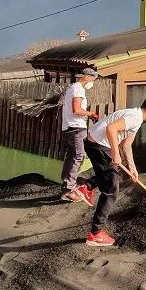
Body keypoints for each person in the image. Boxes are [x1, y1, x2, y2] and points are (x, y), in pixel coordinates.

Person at [83, 97, 146, 247]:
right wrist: (115, 153)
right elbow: (111, 128)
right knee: (111, 188)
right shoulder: (134, 118)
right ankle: (96, 233)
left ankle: (86, 186)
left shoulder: (136, 117)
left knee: (111, 177)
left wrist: (132, 168)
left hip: (96, 143)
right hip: (99, 145)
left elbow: (127, 144)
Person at [60, 68, 100, 206]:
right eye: (93, 79)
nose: (92, 83)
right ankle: (69, 190)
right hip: (76, 127)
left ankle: (67, 185)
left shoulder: (72, 88)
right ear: (87, 77)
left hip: (70, 127)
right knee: (78, 156)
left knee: (71, 156)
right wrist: (91, 114)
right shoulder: (78, 89)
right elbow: (76, 110)